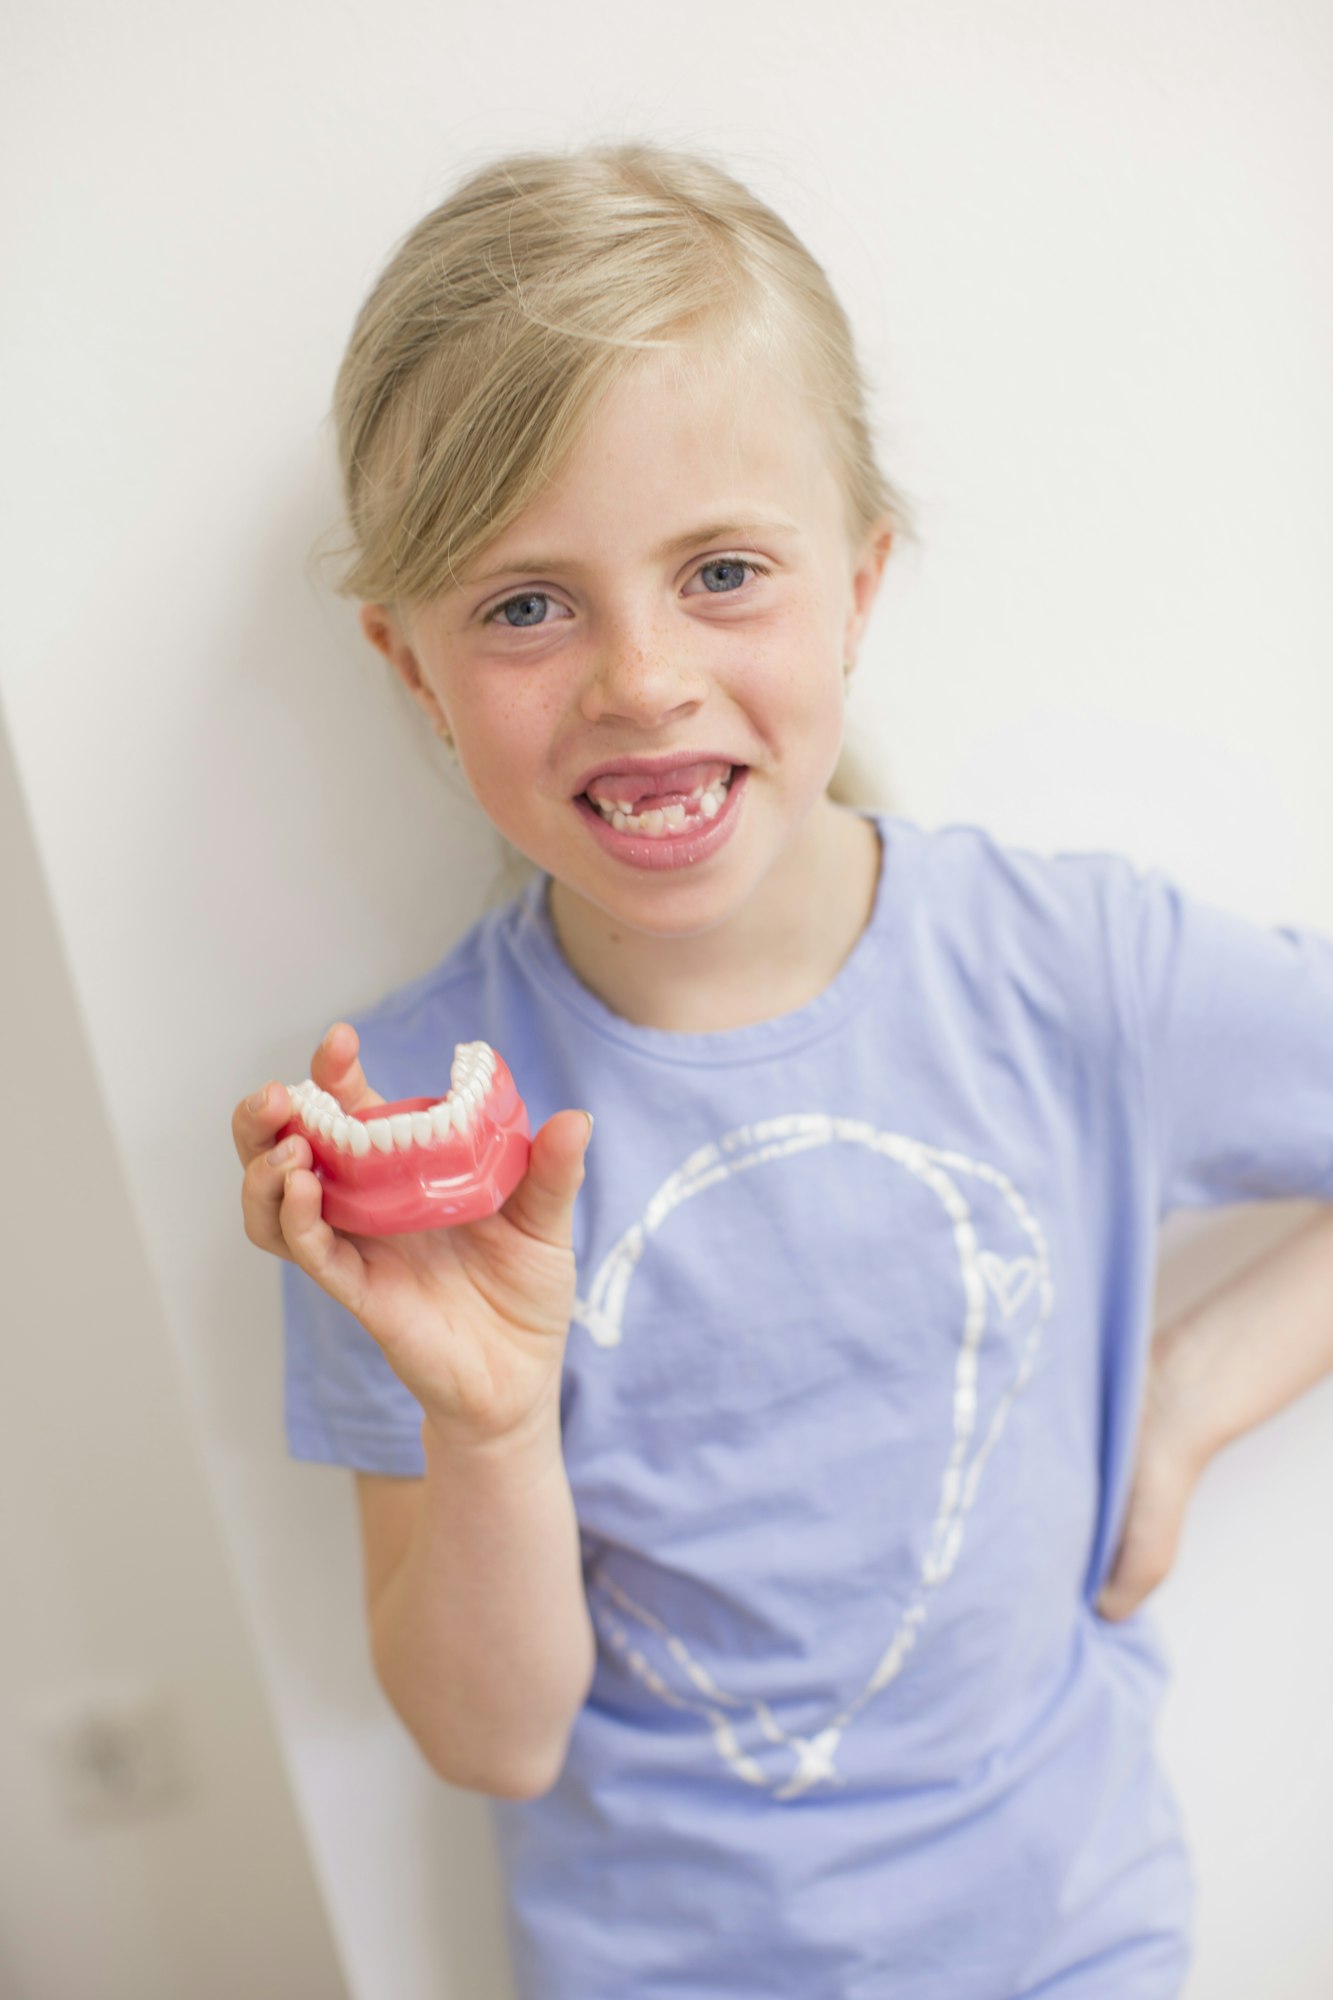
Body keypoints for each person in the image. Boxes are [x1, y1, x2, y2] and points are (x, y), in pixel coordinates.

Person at [232, 140, 1333, 1999]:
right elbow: (490, 1741)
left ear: (860, 582)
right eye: (523, 604)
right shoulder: (400, 1138)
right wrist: (491, 1425)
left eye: (723, 570)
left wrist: (1193, 1393)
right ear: (406, 669)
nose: (641, 679)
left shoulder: (1070, 973)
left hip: (1079, 1946)